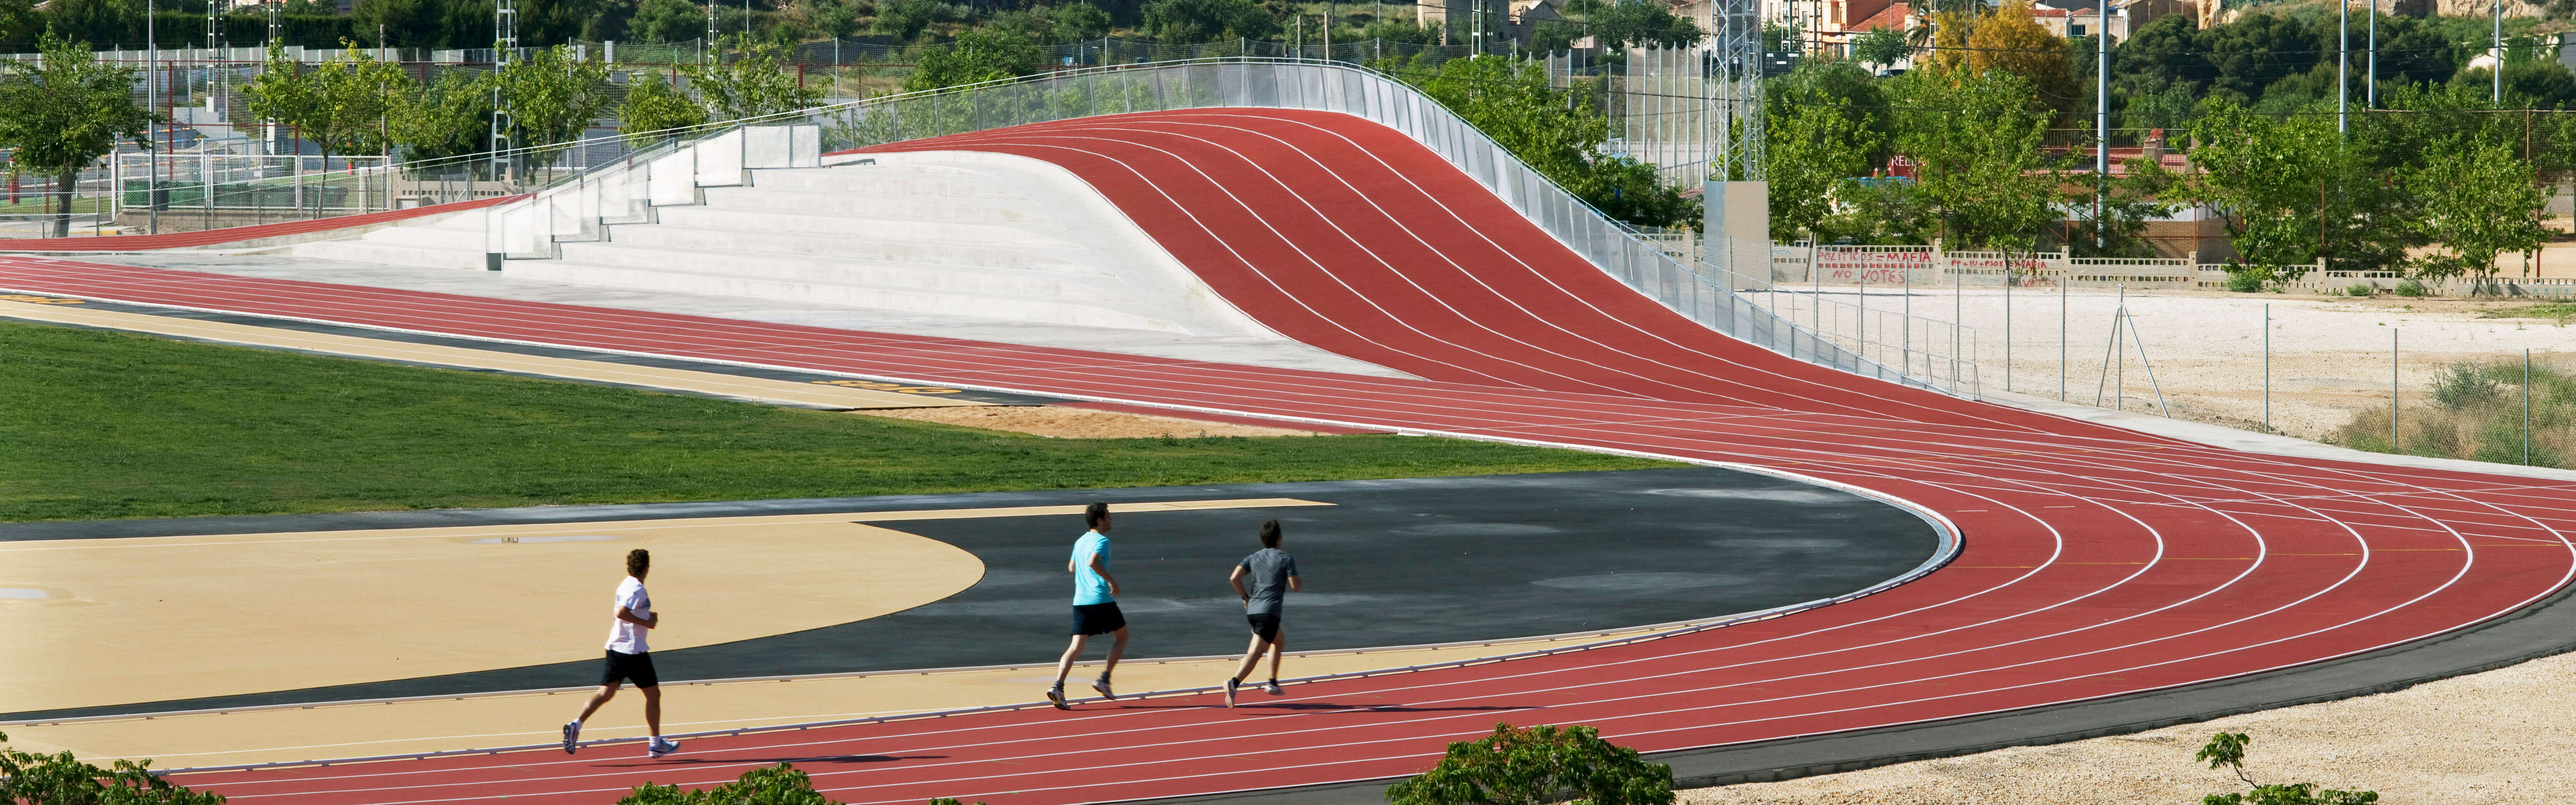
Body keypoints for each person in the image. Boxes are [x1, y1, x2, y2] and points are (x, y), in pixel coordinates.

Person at [562, 548, 680, 759]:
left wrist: (645, 616)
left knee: (605, 693)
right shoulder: (637, 588)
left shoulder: (625, 584)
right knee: (653, 694)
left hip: (616, 649)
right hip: (633, 651)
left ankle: (575, 725)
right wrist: (648, 623)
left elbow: (625, 612)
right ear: (646, 568)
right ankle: (655, 744)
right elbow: (622, 613)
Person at [1047, 501, 1128, 709]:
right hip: (1100, 600)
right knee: (1122, 637)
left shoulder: (1080, 541)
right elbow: (1093, 562)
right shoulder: (1102, 541)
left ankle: (1058, 686)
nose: (1111, 520)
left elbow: (1072, 567)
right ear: (1100, 520)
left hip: (1081, 602)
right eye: (1108, 517)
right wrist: (1111, 580)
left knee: (1076, 647)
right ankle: (1105, 680)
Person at [1223, 519, 1302, 708]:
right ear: (1280, 539)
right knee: (1256, 652)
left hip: (1253, 611)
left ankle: (1273, 683)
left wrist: (1245, 598)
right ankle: (1234, 683)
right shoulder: (1285, 559)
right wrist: (1294, 578)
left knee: (1279, 641)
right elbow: (1295, 586)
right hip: (1269, 613)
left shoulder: (1253, 557)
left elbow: (1235, 578)